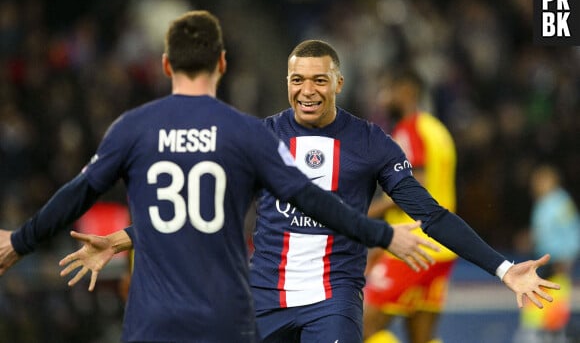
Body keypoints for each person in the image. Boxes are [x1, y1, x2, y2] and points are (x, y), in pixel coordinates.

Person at [59, 39, 560, 343]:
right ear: (287, 81)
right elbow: (201, 212)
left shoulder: (372, 144)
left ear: (338, 82)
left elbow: (430, 213)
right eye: (298, 80)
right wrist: (121, 240)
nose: (307, 90)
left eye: (319, 80)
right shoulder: (260, 137)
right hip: (263, 297)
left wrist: (501, 268)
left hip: (333, 299)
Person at [0, 11, 440, 343]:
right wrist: (381, 234)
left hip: (155, 313)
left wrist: (21, 241)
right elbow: (311, 199)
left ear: (167, 64)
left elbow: (79, 193)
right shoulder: (244, 133)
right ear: (223, 64)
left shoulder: (133, 127)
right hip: (226, 309)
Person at [363, 68, 457, 343]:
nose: (383, 99)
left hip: (412, 244)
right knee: (422, 338)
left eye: (388, 90)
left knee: (359, 329)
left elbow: (416, 185)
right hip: (443, 245)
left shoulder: (409, 129)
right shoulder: (438, 130)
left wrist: (367, 213)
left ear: (406, 91)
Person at [514, 164, 580, 343]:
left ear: (551, 181)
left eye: (540, 181)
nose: (535, 185)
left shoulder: (560, 203)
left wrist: (567, 257)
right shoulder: (544, 203)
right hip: (543, 261)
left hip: (556, 263)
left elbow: (573, 231)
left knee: (553, 306)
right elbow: (545, 232)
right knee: (535, 302)